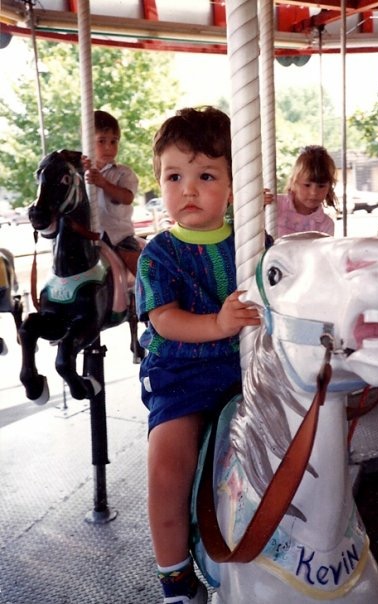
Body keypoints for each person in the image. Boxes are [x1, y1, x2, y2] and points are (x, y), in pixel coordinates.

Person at [135, 106, 261, 604]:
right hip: (182, 376)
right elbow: (163, 319)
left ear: (234, 184)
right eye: (174, 175)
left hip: (246, 371)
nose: (188, 189)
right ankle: (175, 575)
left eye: (206, 175)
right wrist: (218, 324)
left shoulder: (252, 244)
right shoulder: (159, 254)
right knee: (167, 464)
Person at [82, 110, 141, 275]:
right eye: (101, 141)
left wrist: (103, 183)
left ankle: (150, 294)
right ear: (88, 143)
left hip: (119, 236)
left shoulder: (123, 173)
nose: (109, 147)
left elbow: (127, 197)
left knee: (139, 268)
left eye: (114, 141)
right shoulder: (81, 173)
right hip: (90, 235)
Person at [268, 145, 337, 238]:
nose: (314, 192)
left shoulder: (325, 225)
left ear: (329, 187)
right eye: (307, 185)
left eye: (321, 186)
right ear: (294, 182)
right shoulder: (274, 205)